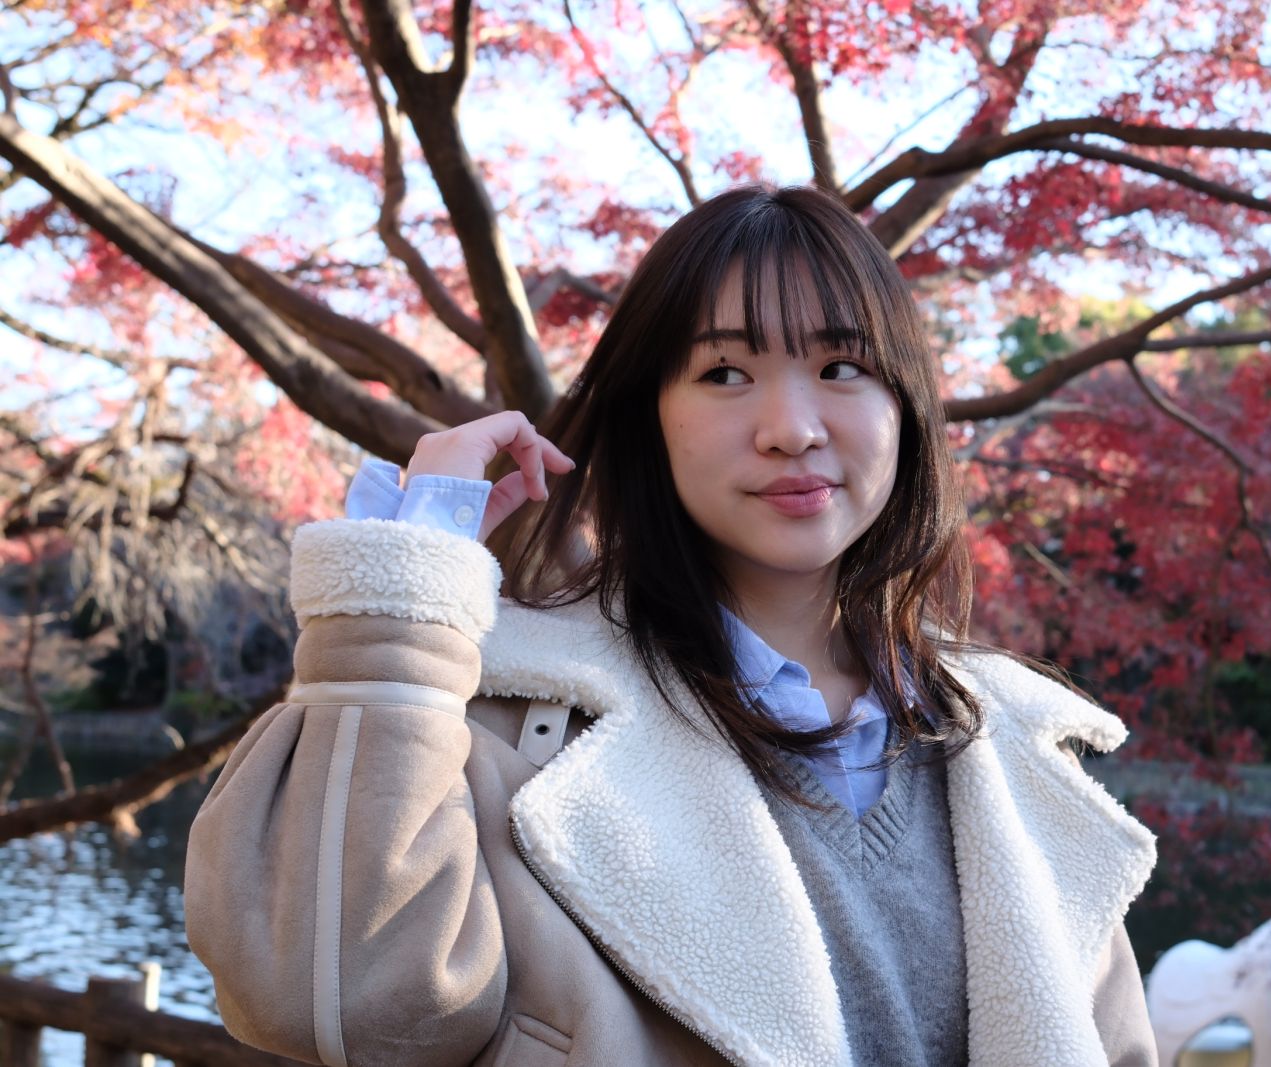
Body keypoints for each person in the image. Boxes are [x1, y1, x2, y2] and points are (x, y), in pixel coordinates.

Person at [183, 185, 1159, 1067]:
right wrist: (404, 599)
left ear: (904, 406)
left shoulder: (1015, 750)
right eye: (724, 372)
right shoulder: (510, 719)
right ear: (649, 414)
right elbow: (339, 1008)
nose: (791, 426)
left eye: (842, 364)